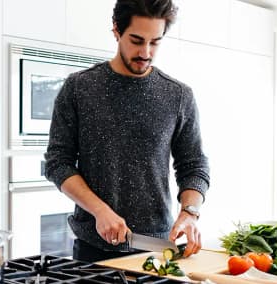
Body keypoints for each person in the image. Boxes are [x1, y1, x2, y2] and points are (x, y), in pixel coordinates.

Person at [44, 0, 210, 263]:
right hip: (93, 252)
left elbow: (194, 166)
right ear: (116, 31)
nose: (146, 52)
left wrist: (190, 213)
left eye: (155, 42)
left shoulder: (178, 95)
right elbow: (57, 163)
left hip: (157, 249)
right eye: (136, 40)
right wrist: (99, 210)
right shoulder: (79, 88)